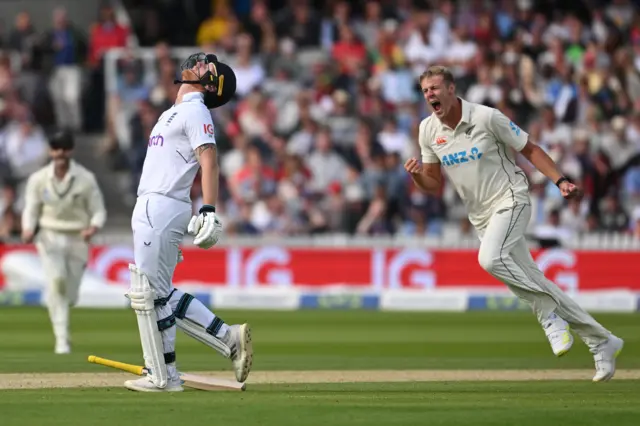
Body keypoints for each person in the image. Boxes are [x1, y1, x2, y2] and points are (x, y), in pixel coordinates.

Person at [405, 65, 624, 382]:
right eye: (425, 90)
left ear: (452, 90)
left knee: (490, 259)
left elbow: (530, 149)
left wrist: (559, 181)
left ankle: (547, 313)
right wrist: (416, 176)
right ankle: (601, 340)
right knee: (533, 278)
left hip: (511, 198)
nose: (430, 95)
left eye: (435, 88)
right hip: (481, 216)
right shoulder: (427, 130)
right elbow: (432, 183)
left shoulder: (486, 117)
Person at [124, 52, 252, 393]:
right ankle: (227, 338)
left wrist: (208, 208)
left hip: (163, 205)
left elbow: (208, 160)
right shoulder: (174, 111)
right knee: (158, 294)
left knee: (147, 294)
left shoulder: (197, 111)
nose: (196, 63)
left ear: (211, 84)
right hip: (153, 204)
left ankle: (163, 376)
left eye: (204, 67)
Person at [21, 130, 107, 354]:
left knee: (70, 294)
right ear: (50, 151)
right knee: (56, 282)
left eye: (64, 148)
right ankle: (62, 339)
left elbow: (98, 211)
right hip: (49, 236)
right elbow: (30, 209)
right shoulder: (38, 179)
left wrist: (93, 227)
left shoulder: (85, 178)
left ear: (71, 150)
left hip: (78, 238)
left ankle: (61, 310)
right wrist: (28, 228)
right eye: (56, 148)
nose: (60, 153)